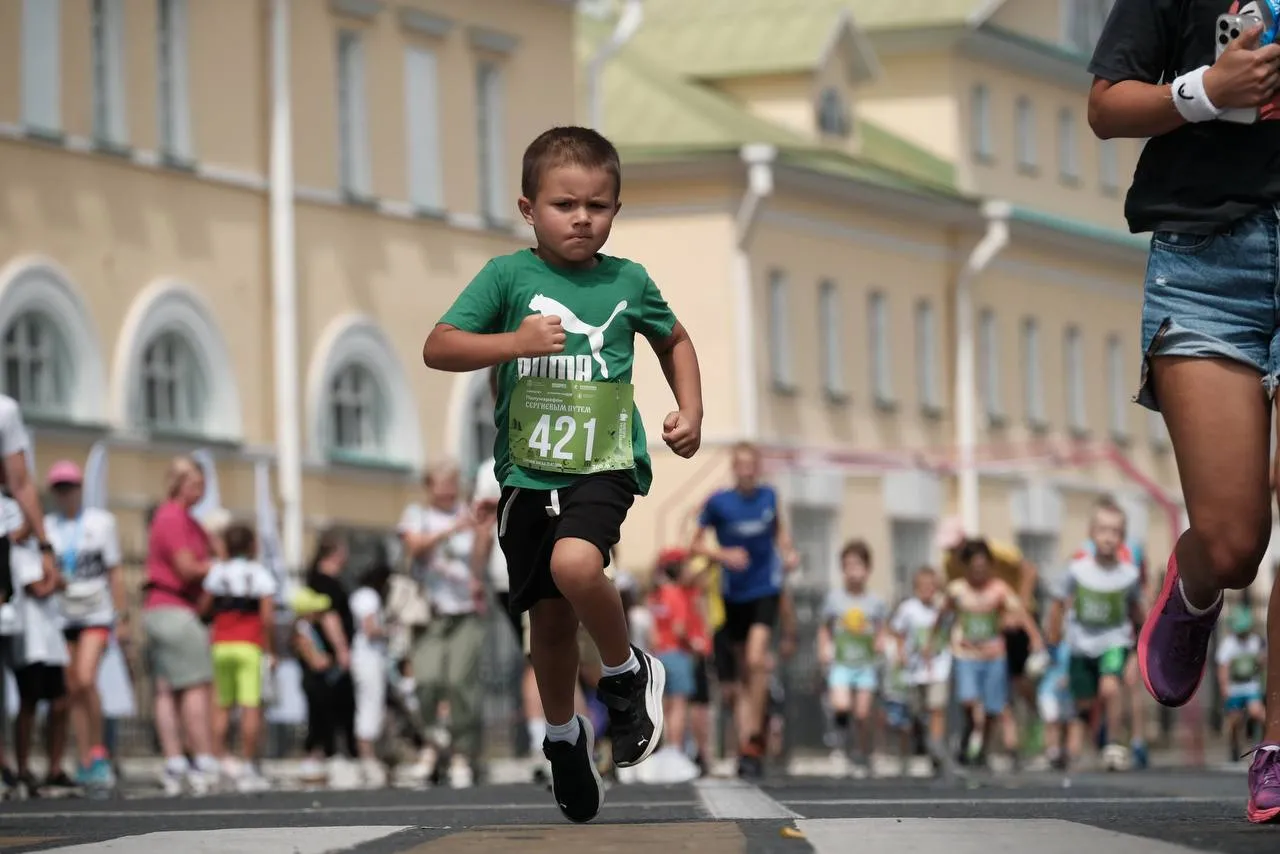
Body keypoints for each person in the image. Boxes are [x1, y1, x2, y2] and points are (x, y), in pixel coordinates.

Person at [423, 125, 702, 823]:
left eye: (598, 206)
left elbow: (674, 339)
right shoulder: (507, 278)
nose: (582, 218)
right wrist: (511, 342)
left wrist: (689, 411)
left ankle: (625, 672)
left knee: (580, 567)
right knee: (546, 623)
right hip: (526, 472)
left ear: (615, 210)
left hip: (600, 463)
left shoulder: (627, 280)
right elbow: (439, 347)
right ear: (528, 209)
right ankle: (563, 737)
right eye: (564, 204)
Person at [1087, 0, 1280, 822]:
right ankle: (1197, 580)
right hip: (1207, 264)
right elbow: (1106, 106)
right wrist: (1205, 88)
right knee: (1237, 542)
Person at [690, 442, 799, 779]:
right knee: (735, 683)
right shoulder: (718, 502)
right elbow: (694, 544)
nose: (748, 470)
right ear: (734, 468)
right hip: (731, 596)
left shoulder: (769, 497)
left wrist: (788, 551)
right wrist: (724, 556)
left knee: (755, 659)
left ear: (758, 467)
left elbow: (778, 533)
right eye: (742, 465)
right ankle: (747, 747)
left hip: (764, 589)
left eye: (753, 464)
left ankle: (753, 738)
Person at [398, 460, 487, 789]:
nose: (448, 489)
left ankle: (462, 752)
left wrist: (480, 534)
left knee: (461, 683)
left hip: (465, 611)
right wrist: (453, 528)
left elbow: (480, 560)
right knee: (427, 681)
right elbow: (415, 547)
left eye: (452, 482)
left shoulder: (470, 513)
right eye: (441, 482)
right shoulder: (416, 515)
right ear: (429, 486)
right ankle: (432, 745)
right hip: (428, 612)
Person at [43, 460, 126, 791]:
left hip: (96, 612)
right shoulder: (48, 526)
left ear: (80, 488)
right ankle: (84, 758)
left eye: (70, 487)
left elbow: (115, 571)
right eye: (59, 489)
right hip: (61, 615)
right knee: (72, 685)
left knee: (86, 677)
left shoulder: (102, 522)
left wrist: (121, 617)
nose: (66, 494)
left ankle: (98, 751)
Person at [1047, 498, 1145, 772]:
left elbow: (1138, 612)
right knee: (1084, 702)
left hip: (1114, 642)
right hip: (1081, 646)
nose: (1109, 537)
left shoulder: (1128, 575)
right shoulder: (1078, 571)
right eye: (1103, 530)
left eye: (1115, 532)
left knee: (1110, 688)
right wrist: (1052, 640)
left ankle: (1113, 744)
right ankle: (1084, 745)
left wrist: (1142, 648)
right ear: (1091, 533)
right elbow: (1056, 603)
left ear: (1123, 538)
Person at [928, 538, 1043, 769]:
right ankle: (969, 731)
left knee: (993, 707)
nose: (979, 573)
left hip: (994, 656)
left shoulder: (999, 590)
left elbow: (1020, 613)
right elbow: (942, 616)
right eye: (974, 568)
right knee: (969, 700)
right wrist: (932, 641)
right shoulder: (957, 590)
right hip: (965, 655)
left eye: (983, 567)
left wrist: (1035, 638)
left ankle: (982, 748)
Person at [142, 457, 218, 796]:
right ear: (177, 483)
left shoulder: (188, 521)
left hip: (168, 608)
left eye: (202, 485)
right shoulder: (173, 517)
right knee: (195, 686)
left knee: (166, 687)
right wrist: (218, 566)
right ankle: (201, 757)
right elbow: (188, 568)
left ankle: (175, 760)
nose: (200, 491)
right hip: (174, 607)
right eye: (194, 484)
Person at [198, 523, 277, 792]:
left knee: (221, 704)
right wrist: (271, 649)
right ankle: (248, 764)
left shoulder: (218, 571)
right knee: (249, 706)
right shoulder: (259, 573)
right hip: (249, 645)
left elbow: (204, 606)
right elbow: (267, 617)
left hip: (221, 643)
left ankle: (219, 759)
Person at [817, 540, 888, 778]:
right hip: (841, 662)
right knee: (841, 705)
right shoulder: (834, 599)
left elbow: (881, 628)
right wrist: (824, 648)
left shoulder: (875, 602)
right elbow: (825, 627)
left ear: (867, 569)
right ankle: (840, 748)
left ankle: (862, 751)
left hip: (866, 663)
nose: (853, 571)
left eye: (858, 565)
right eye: (848, 565)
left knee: (862, 713)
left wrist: (881, 641)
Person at [890, 566, 951, 769]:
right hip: (915, 671)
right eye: (923, 586)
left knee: (936, 707)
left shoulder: (942, 608)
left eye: (932, 586)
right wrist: (901, 654)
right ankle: (918, 740)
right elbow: (897, 632)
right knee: (916, 710)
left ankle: (936, 747)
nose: (928, 590)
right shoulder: (908, 609)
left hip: (938, 667)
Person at [348, 561, 392, 789]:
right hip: (369, 658)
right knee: (370, 706)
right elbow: (370, 627)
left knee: (367, 705)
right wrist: (393, 630)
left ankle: (369, 756)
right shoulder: (369, 596)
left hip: (363, 657)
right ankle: (368, 757)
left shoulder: (358, 595)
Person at [1218, 605, 1267, 763]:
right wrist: (1224, 687)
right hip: (1235, 687)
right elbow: (1223, 668)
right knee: (1235, 720)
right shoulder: (1229, 644)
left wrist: (1260, 660)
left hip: (1250, 685)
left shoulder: (1255, 642)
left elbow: (1262, 663)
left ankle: (1267, 745)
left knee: (1257, 712)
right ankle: (1234, 747)